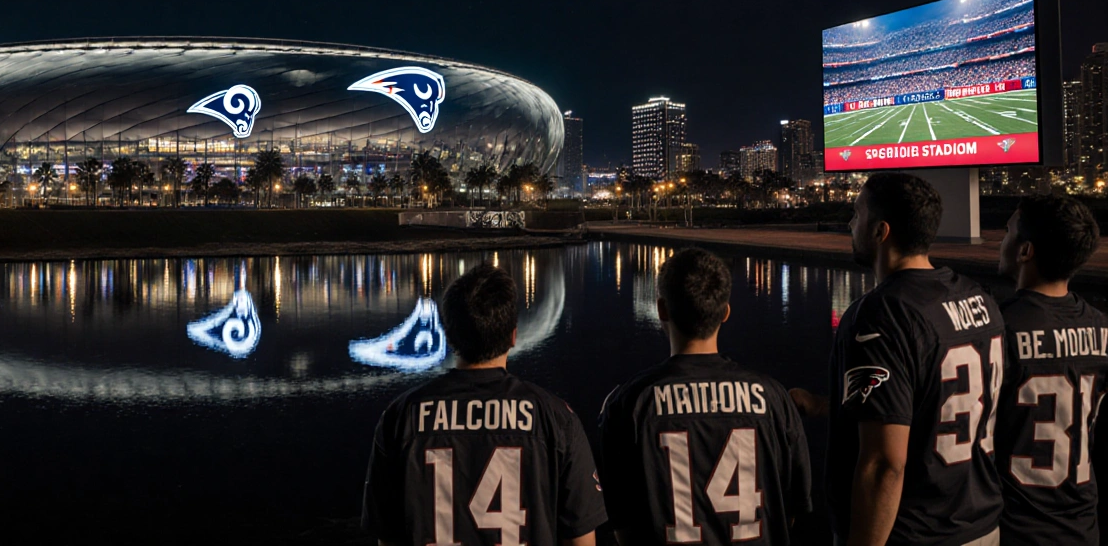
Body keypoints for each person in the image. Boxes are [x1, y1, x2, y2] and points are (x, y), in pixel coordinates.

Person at [795, 171, 1005, 545]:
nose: (850, 223)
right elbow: (927, 399)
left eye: (857, 215)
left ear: (880, 232)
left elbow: (884, 464)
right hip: (980, 524)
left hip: (915, 531)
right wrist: (826, 405)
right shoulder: (978, 298)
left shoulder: (882, 313)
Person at [361, 264, 607, 546]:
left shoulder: (400, 417)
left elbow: (388, 538)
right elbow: (582, 539)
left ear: (449, 335)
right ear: (513, 336)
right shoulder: (556, 419)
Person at [598, 247, 812, 545]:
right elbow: (791, 510)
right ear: (725, 311)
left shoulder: (630, 404)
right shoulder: (773, 398)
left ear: (661, 309)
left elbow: (623, 526)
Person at [993, 194, 1104, 544]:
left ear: (1026, 251)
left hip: (1016, 526)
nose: (1001, 241)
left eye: (1008, 232)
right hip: (1082, 523)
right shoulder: (1102, 328)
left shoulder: (1001, 327)